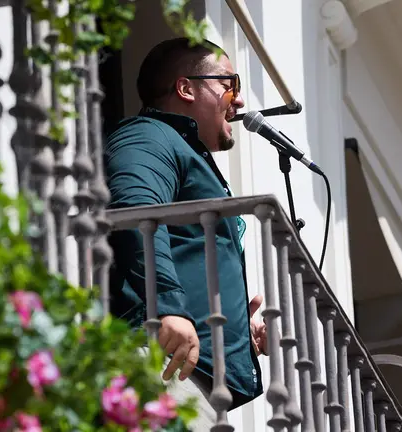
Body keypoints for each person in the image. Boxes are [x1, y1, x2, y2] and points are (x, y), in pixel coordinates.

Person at [104, 38, 266, 429]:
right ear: (186, 88)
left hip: (192, 372)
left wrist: (234, 325)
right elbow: (138, 211)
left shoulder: (180, 150)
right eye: (231, 84)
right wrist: (168, 308)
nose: (239, 101)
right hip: (163, 360)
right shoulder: (150, 136)